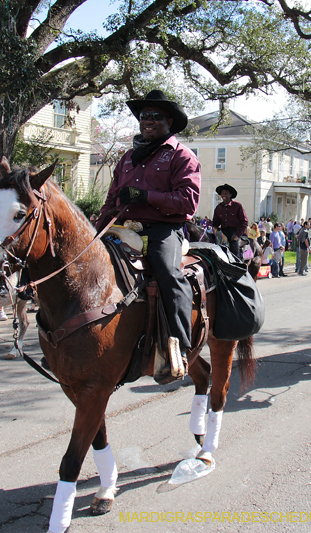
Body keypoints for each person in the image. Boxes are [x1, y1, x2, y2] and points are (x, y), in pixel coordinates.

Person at [96, 89, 200, 384]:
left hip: (163, 228)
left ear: (169, 121)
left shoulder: (182, 156)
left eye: (155, 116)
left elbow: (187, 202)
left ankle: (179, 347)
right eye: (143, 116)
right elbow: (111, 198)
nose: (148, 121)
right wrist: (97, 229)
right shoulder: (127, 158)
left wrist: (146, 196)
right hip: (123, 226)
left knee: (167, 272)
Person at [211, 184, 248, 257]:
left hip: (234, 233)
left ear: (230, 195)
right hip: (222, 233)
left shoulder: (237, 206)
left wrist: (237, 235)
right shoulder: (218, 208)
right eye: (222, 193)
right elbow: (216, 222)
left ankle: (237, 266)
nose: (223, 195)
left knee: (234, 252)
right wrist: (211, 224)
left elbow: (244, 222)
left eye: (226, 193)